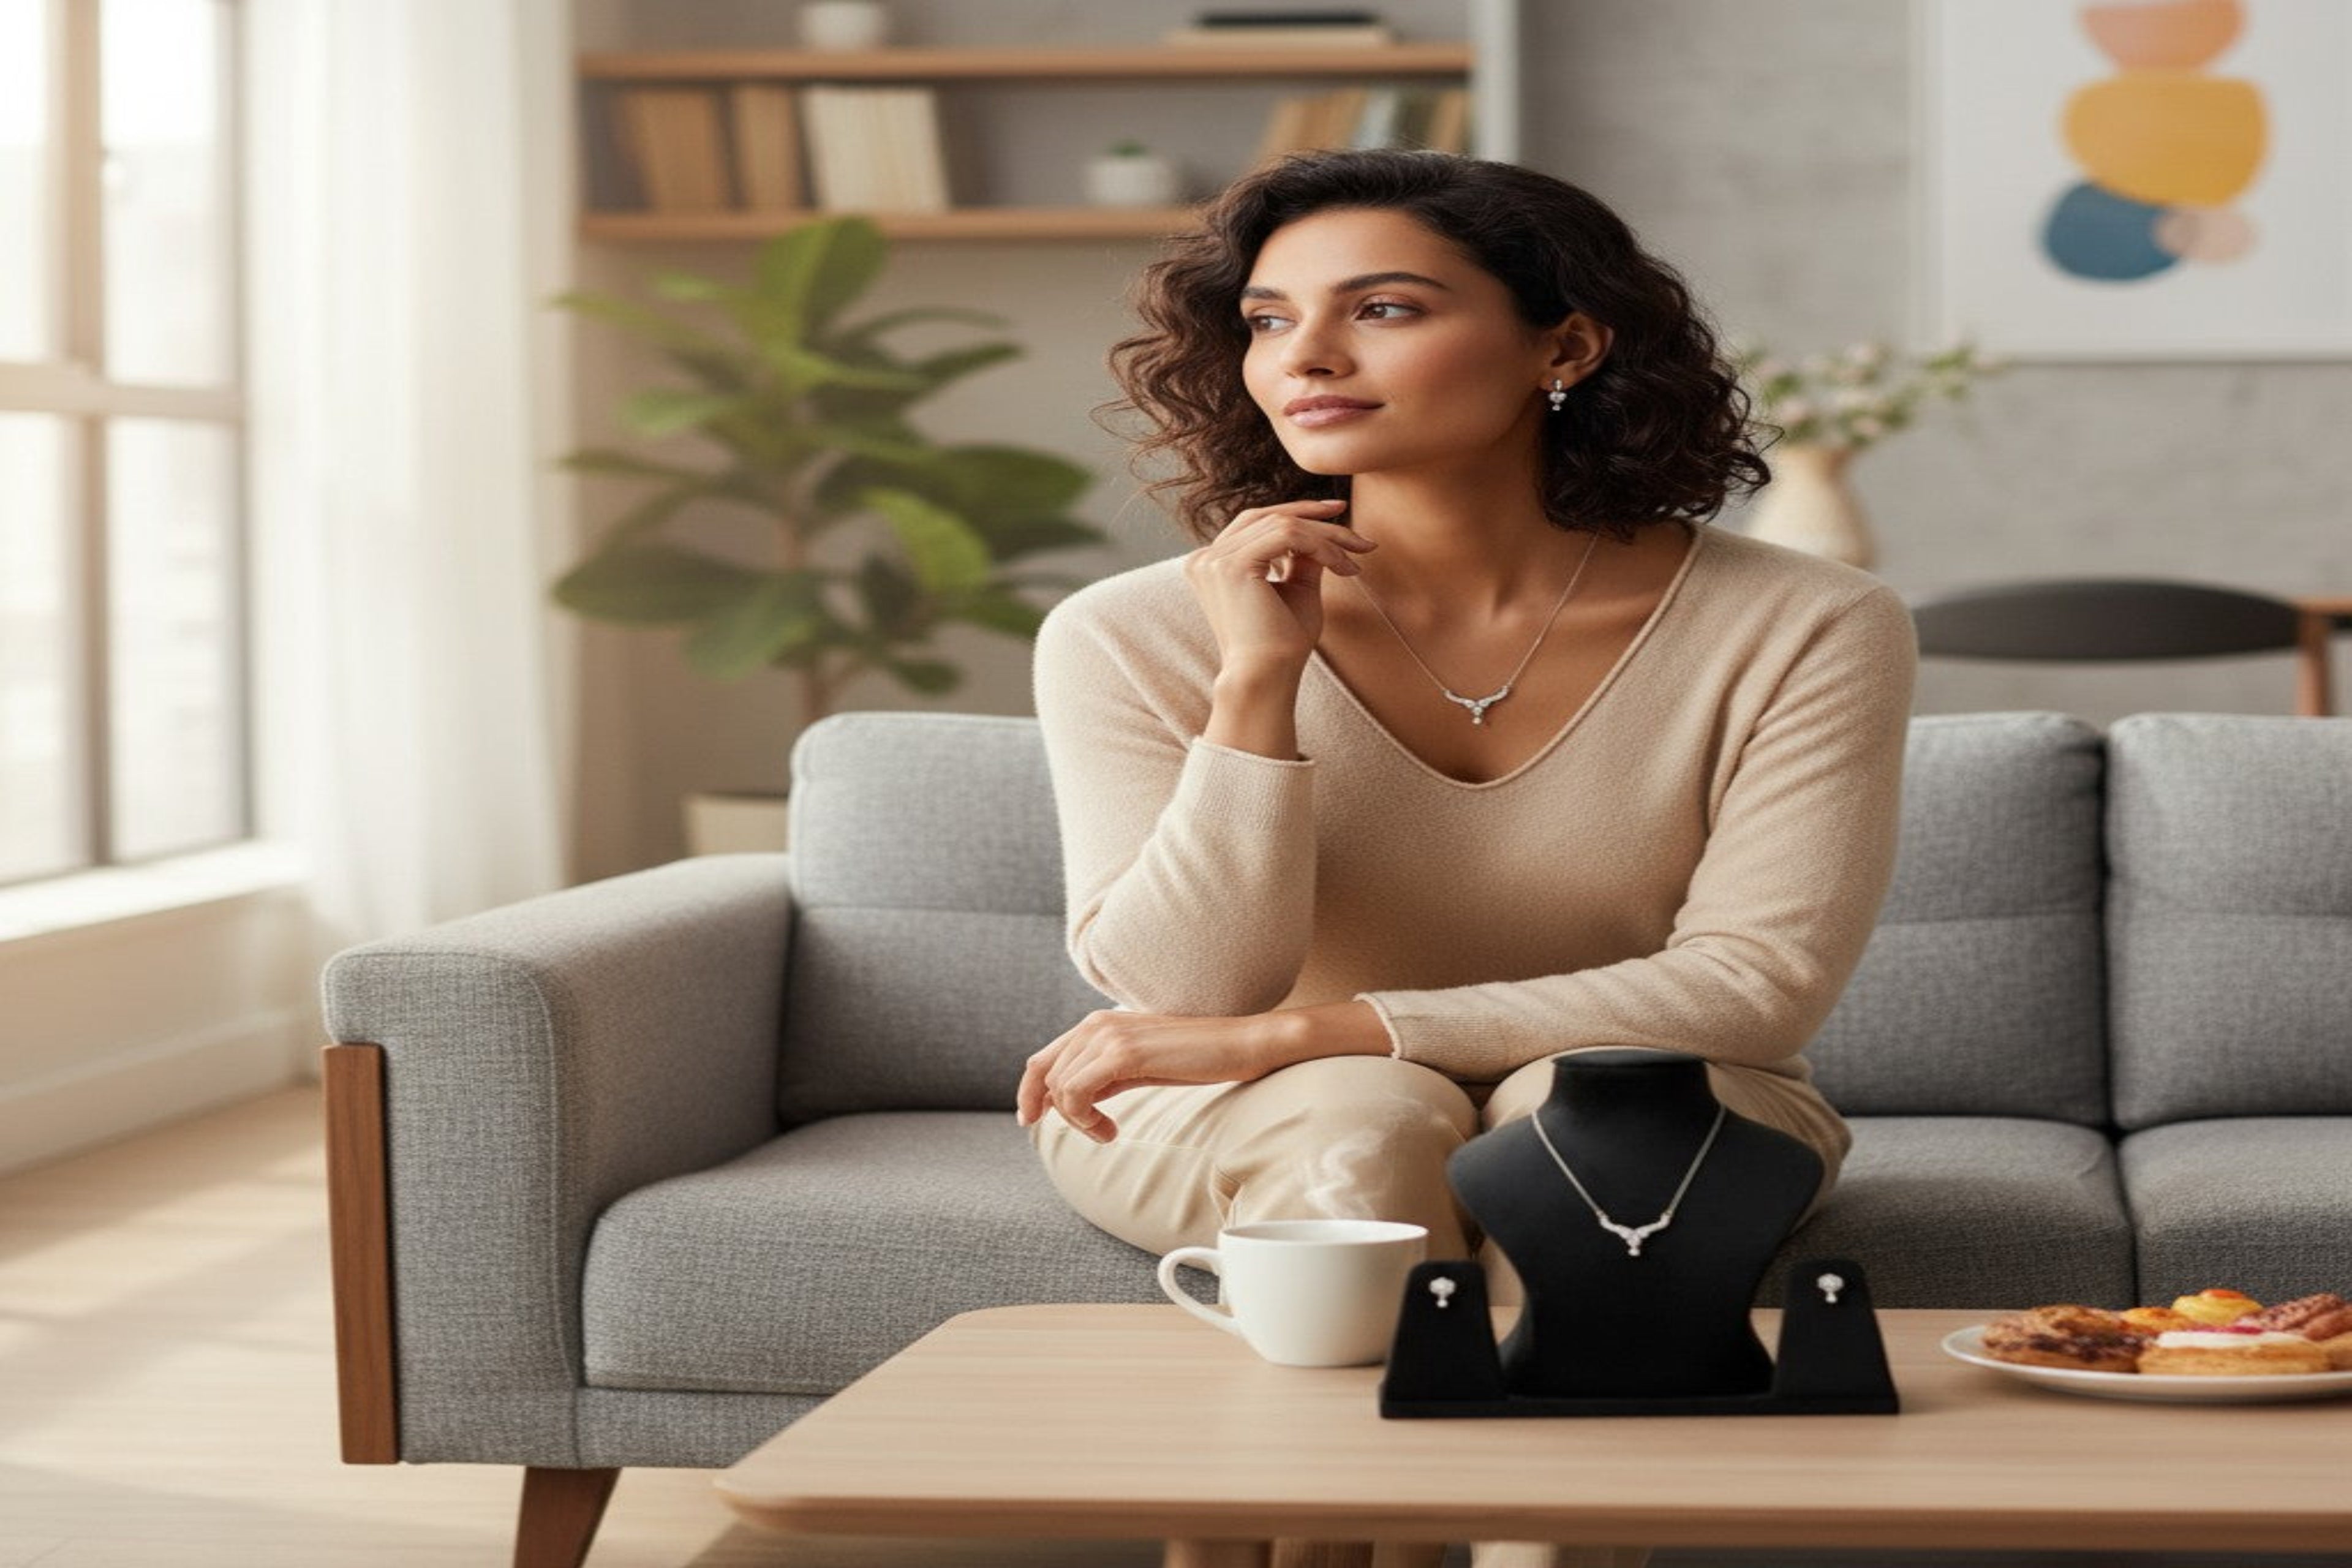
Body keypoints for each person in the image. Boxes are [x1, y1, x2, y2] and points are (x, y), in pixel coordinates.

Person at [1013, 148, 1915, 1568]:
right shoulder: (1134, 634)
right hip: (1242, 1104)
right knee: (1363, 1126)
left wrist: (1332, 1023)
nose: (1304, 353)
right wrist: (1259, 687)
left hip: (1659, 1091)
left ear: (1567, 342)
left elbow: (1760, 986)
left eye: (1382, 308)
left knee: (1584, 1128)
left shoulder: (1808, 621)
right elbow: (1185, 993)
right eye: (1265, 318)